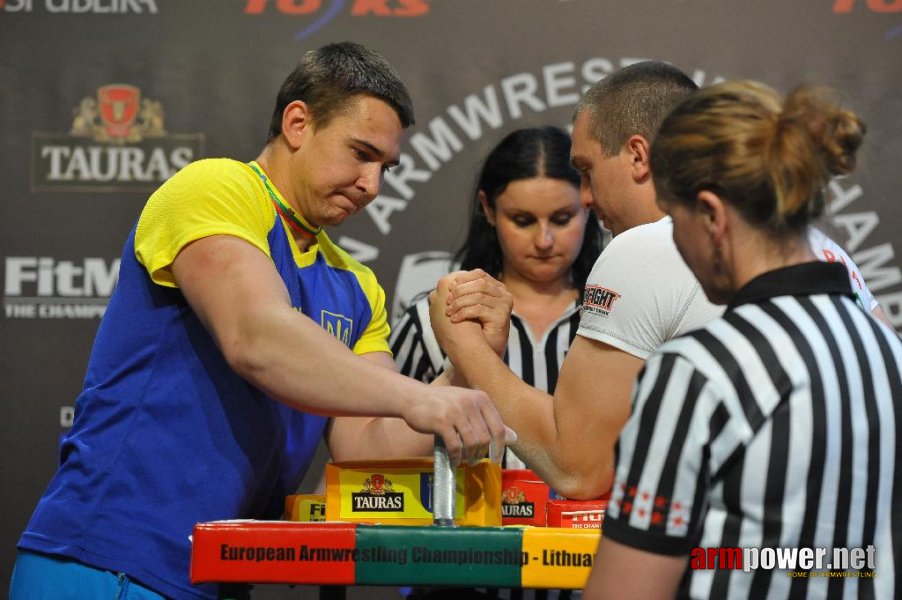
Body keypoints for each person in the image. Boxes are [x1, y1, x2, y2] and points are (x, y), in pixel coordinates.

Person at [10, 42, 510, 600]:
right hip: (108, 562)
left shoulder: (355, 284)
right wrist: (417, 398)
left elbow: (365, 448)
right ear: (298, 122)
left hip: (217, 577)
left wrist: (462, 370)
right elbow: (255, 336)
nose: (373, 184)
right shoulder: (215, 189)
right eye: (360, 154)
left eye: (385, 167)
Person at [428, 61, 891, 501]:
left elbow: (576, 467)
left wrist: (465, 346)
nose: (585, 198)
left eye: (586, 171)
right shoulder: (828, 250)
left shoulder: (644, 245)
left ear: (637, 155)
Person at [585, 80, 900, 599]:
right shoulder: (887, 353)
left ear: (710, 216)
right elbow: (852, 559)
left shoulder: (698, 371)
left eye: (673, 220)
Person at [390, 126, 604, 469]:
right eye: (522, 220)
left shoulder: (618, 317)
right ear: (488, 209)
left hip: (586, 522)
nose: (544, 240)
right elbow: (379, 450)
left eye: (563, 219)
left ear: (589, 204)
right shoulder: (433, 319)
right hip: (465, 519)